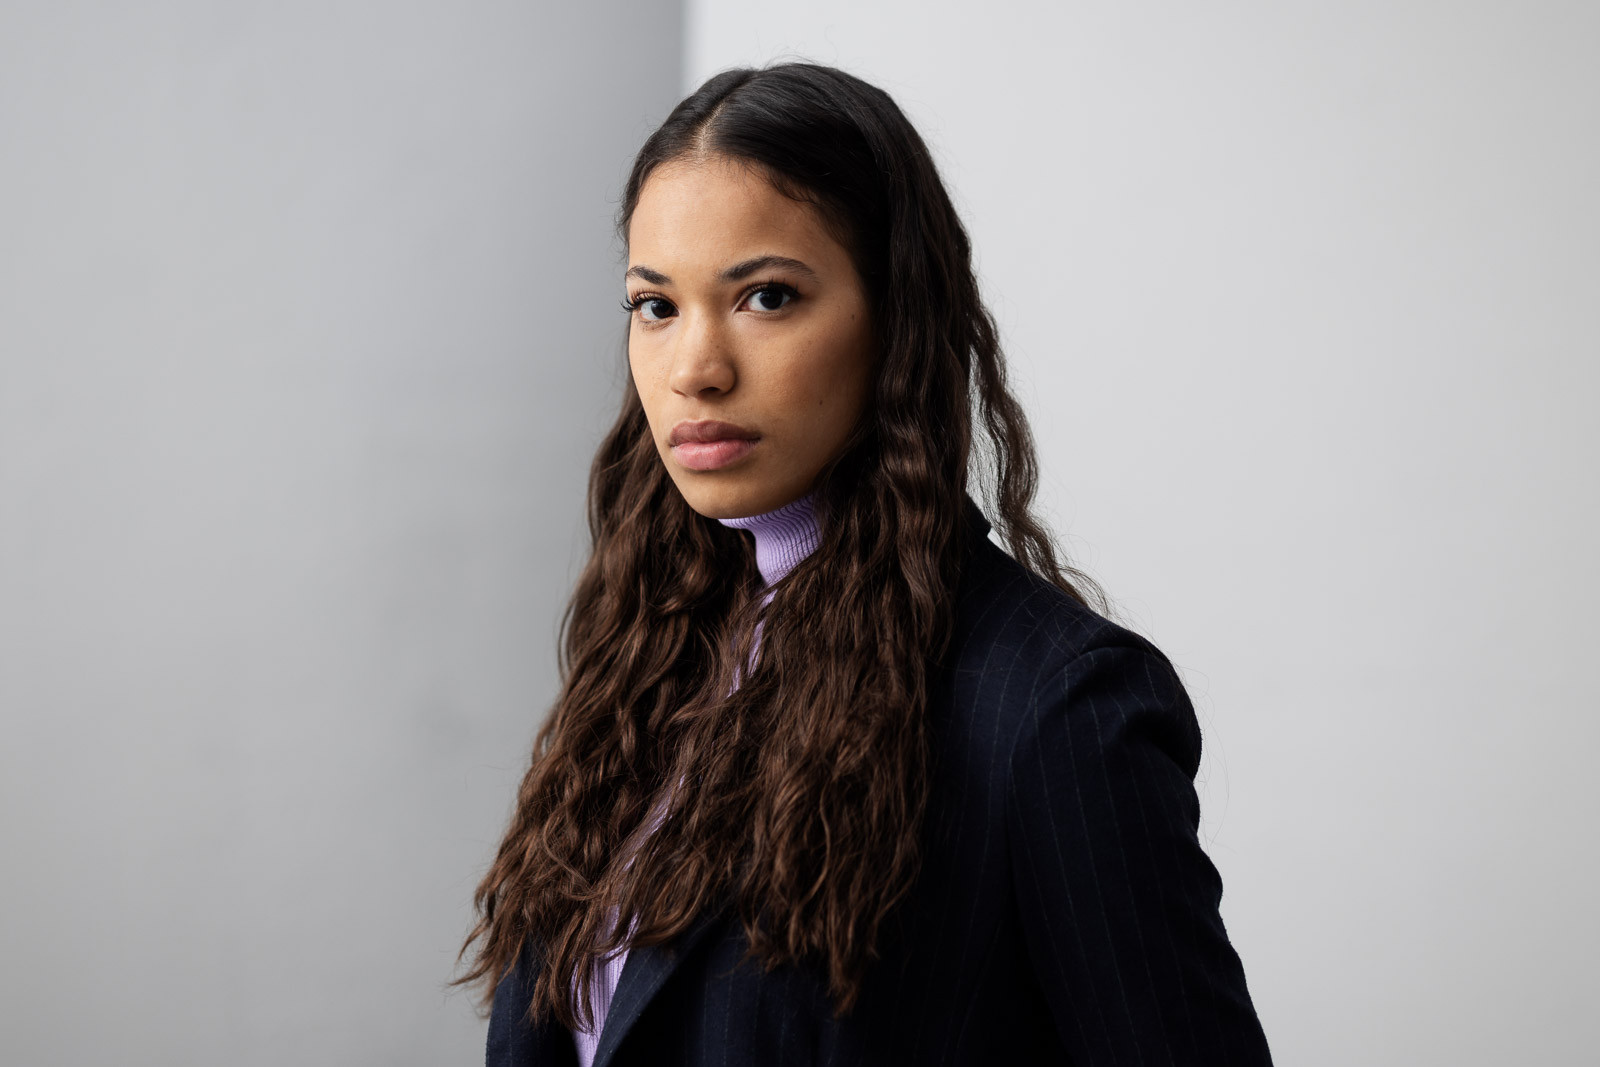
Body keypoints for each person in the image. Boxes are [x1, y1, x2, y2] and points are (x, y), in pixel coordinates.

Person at [453, 62, 1274, 1066]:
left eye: (765, 296)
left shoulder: (1052, 708)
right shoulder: (653, 656)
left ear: (896, 317)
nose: (694, 368)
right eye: (655, 305)